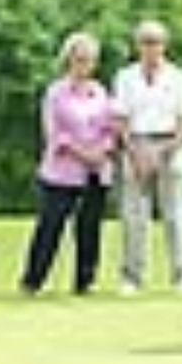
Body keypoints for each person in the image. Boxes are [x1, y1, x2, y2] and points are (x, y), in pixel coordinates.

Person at [20, 32, 115, 296]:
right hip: (62, 172)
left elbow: (110, 128)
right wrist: (82, 152)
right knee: (50, 225)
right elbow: (55, 134)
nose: (84, 65)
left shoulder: (100, 92)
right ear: (69, 60)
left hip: (95, 172)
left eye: (89, 60)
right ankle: (33, 280)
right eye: (79, 59)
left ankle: (85, 281)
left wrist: (102, 151)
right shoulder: (56, 93)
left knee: (89, 228)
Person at [112, 20, 182, 296]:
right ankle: (132, 276)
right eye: (146, 42)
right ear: (137, 46)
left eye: (156, 42)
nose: (151, 48)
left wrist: (163, 152)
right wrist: (135, 152)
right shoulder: (125, 77)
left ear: (164, 45)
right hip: (136, 145)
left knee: (176, 215)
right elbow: (121, 120)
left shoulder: (178, 77)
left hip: (170, 145)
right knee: (133, 216)